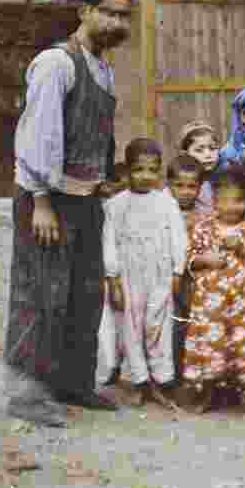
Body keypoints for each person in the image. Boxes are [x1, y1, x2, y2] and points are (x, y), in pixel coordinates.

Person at [5, 0, 133, 426]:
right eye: (110, 14)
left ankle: (73, 385)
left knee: (83, 294)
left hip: (85, 200)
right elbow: (38, 137)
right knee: (40, 295)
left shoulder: (103, 69)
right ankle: (25, 394)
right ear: (84, 9)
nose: (118, 25)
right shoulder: (57, 63)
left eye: (124, 17)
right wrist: (39, 200)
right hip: (47, 201)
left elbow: (95, 135)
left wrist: (105, 180)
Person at [102, 138, 188, 407]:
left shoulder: (166, 203)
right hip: (128, 275)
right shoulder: (116, 205)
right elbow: (109, 242)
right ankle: (139, 379)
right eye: (139, 170)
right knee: (130, 325)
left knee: (158, 324)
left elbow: (178, 238)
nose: (146, 176)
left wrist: (177, 271)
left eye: (152, 170)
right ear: (127, 171)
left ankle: (162, 379)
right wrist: (113, 279)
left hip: (160, 273)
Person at [182, 167, 245, 416]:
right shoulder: (203, 227)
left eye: (239, 200)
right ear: (214, 201)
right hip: (210, 301)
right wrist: (206, 260)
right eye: (224, 200)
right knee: (211, 344)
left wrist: (242, 249)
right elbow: (189, 259)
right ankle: (208, 392)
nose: (231, 207)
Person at [167, 153, 205, 382]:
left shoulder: (203, 215)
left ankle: (188, 373)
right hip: (167, 276)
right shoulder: (162, 210)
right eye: (179, 185)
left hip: (192, 278)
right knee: (169, 324)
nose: (186, 191)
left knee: (189, 323)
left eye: (192, 186)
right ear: (169, 185)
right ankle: (168, 373)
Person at [94, 162, 129, 394]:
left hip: (136, 274)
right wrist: (112, 277)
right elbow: (108, 247)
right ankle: (112, 365)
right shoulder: (105, 212)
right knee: (109, 323)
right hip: (112, 274)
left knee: (129, 324)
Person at [177, 121, 221, 214]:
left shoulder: (224, 179)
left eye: (213, 148)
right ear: (185, 154)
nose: (208, 155)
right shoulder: (179, 183)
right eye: (199, 150)